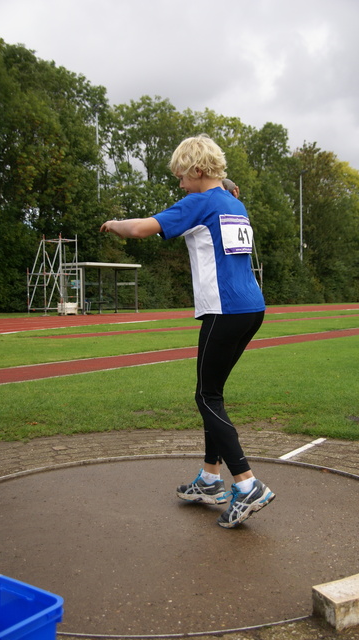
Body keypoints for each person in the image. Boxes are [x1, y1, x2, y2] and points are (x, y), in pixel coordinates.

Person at [100, 134, 275, 528]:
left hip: (224, 309)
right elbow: (225, 189)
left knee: (205, 395)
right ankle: (210, 479)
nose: (179, 184)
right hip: (252, 308)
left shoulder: (200, 201)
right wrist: (226, 186)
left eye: (181, 176)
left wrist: (115, 224)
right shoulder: (233, 202)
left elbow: (142, 229)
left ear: (197, 171)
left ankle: (247, 486)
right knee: (213, 394)